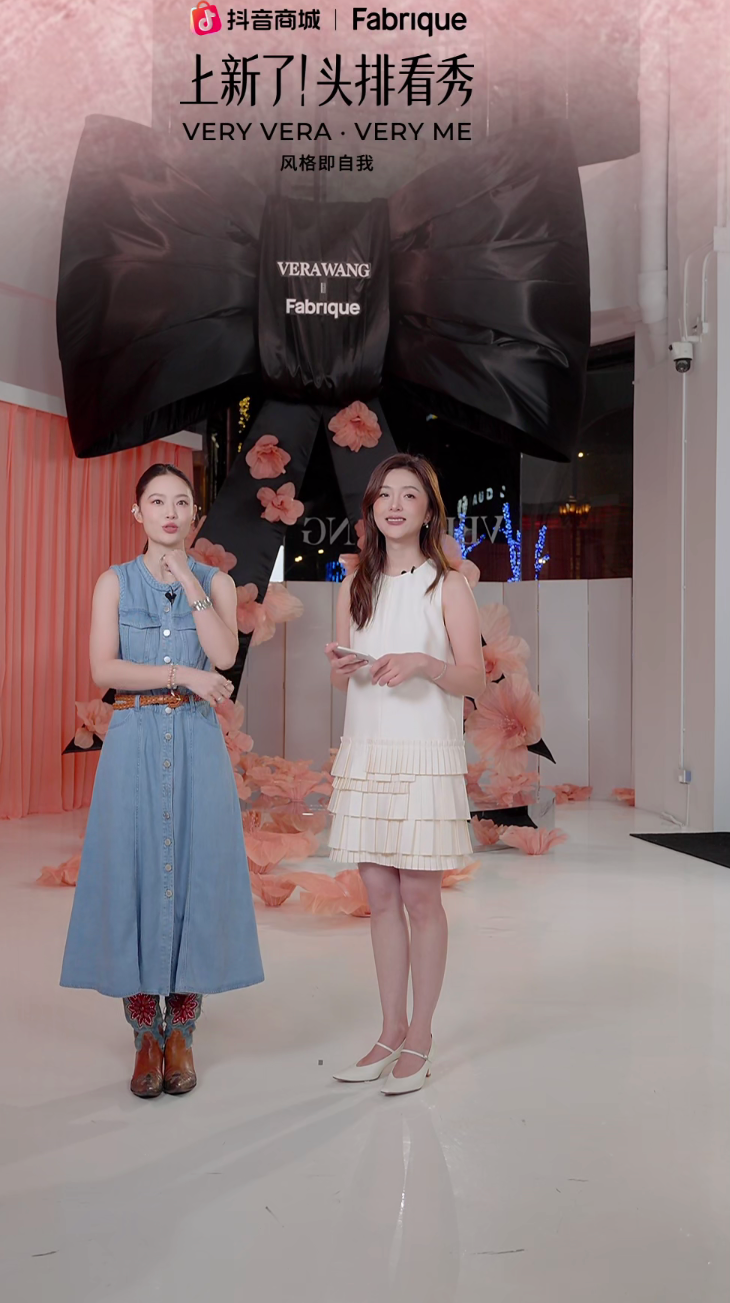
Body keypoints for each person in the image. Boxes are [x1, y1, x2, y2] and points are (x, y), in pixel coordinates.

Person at [60, 463, 264, 1097]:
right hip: (134, 738)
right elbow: (103, 669)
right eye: (157, 501)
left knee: (194, 877)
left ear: (194, 515)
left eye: (181, 502)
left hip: (197, 744)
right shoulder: (114, 582)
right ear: (138, 512)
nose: (169, 512)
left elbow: (224, 655)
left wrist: (190, 580)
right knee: (137, 874)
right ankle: (145, 1034)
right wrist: (182, 676)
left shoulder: (217, 583)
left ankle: (183, 1035)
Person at [325, 454, 485, 1095]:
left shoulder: (448, 586)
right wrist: (342, 668)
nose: (395, 504)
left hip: (424, 757)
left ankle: (421, 1036)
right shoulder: (353, 586)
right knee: (381, 898)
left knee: (421, 898)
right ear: (371, 509)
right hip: (368, 754)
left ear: (427, 510)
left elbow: (475, 679)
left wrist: (423, 663)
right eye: (384, 494)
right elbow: (344, 678)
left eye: (409, 494)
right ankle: (390, 1030)